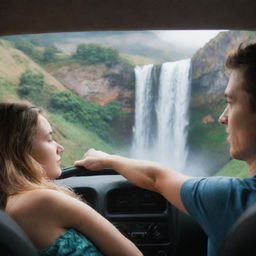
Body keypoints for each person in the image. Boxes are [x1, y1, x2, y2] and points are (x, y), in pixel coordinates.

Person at [75, 42, 256, 256]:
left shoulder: (229, 199)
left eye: (231, 102)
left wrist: (108, 159)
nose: (222, 118)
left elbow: (156, 178)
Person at [0, 101, 142, 256]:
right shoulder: (44, 200)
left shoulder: (9, 204)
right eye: (49, 139)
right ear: (20, 149)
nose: (60, 148)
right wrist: (110, 161)